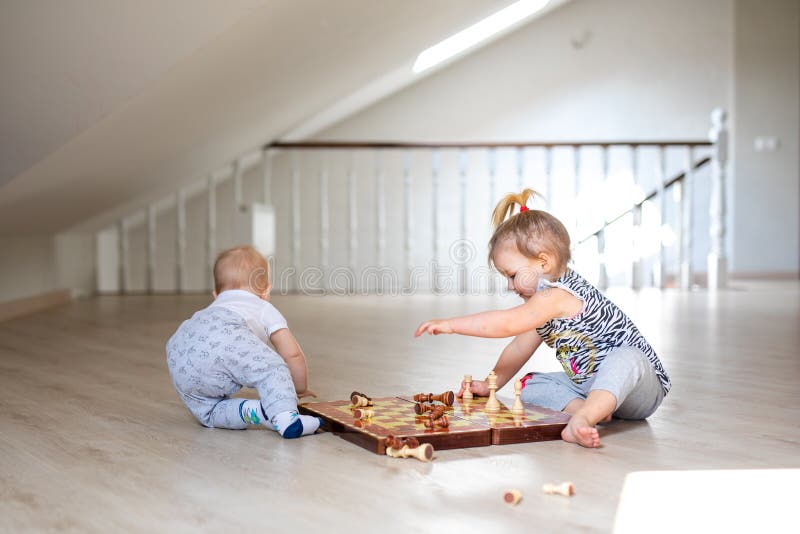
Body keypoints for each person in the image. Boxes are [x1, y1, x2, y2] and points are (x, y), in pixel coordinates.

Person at [414, 189, 670, 447]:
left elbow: (505, 323)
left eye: (512, 275)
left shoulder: (558, 296)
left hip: (640, 388)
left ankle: (582, 418)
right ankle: (593, 409)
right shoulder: (542, 305)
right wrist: (491, 383)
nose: (510, 286)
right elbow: (518, 346)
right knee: (529, 385)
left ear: (543, 263)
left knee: (627, 357)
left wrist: (451, 325)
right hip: (589, 385)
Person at [166, 245, 321, 438]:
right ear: (266, 291)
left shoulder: (215, 306)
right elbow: (291, 353)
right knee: (272, 367)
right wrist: (298, 388)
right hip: (223, 339)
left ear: (216, 293)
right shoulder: (262, 306)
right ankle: (286, 417)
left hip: (180, 353)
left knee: (210, 412)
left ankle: (255, 411)